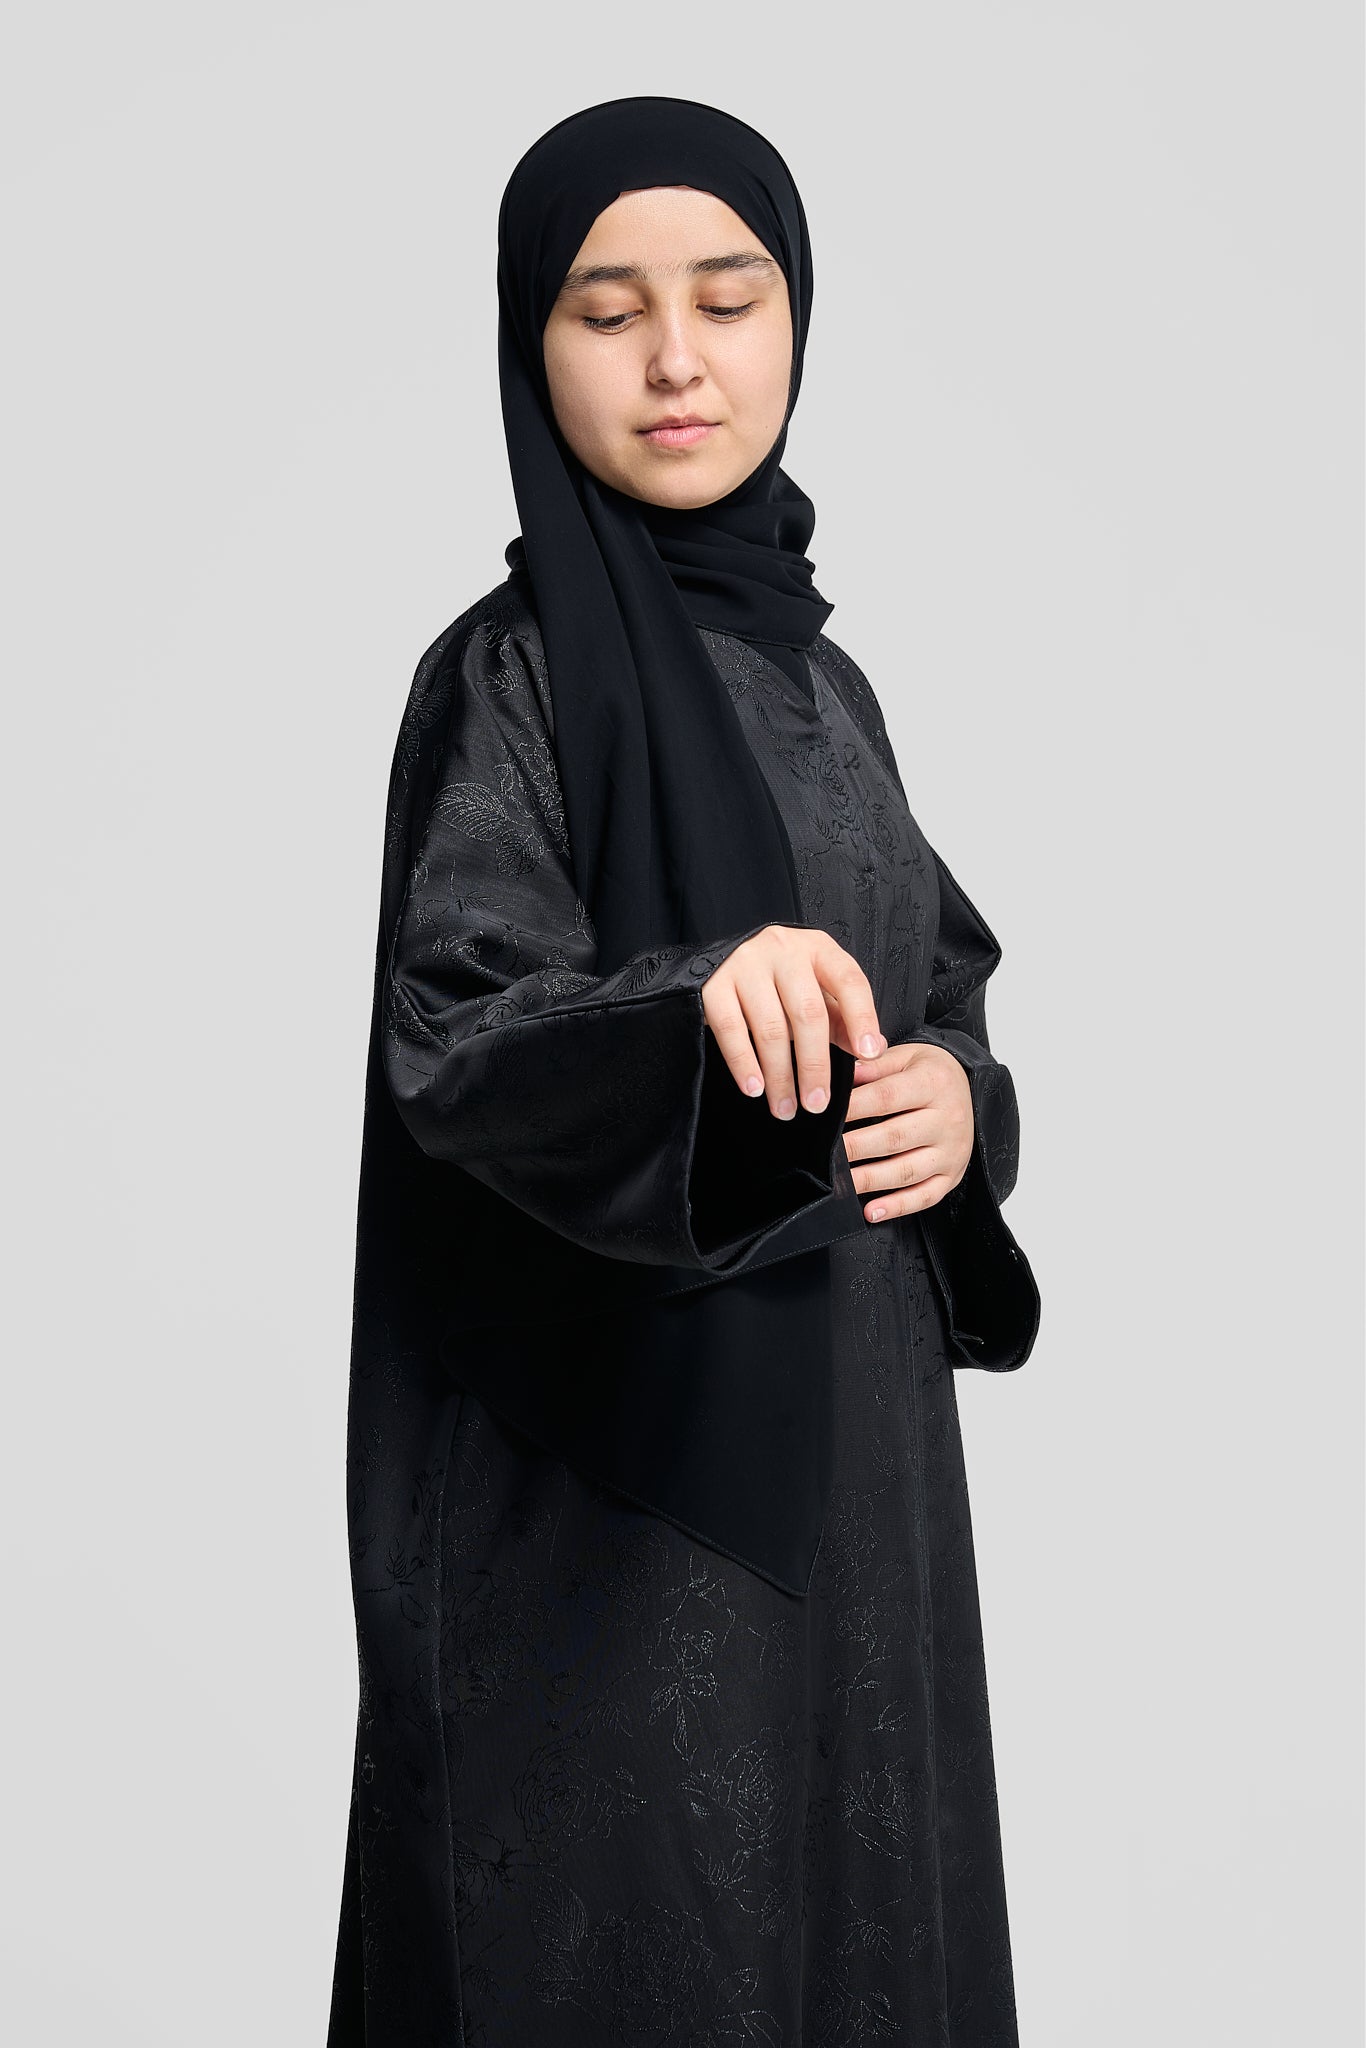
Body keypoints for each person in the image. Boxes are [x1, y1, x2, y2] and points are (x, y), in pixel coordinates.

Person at [327, 94, 1041, 2048]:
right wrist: (695, 1002)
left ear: (794, 322)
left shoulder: (822, 683)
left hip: (855, 1474)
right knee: (642, 1951)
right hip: (617, 1497)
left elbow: (930, 978)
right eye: (604, 310)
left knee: (852, 1944)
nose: (672, 360)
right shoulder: (507, 678)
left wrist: (957, 1099)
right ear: (527, 342)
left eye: (726, 302)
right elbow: (460, 1035)